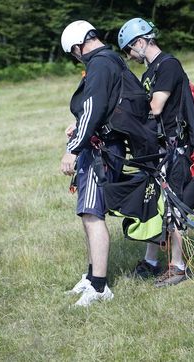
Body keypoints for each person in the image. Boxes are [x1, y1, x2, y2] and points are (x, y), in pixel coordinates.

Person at [117, 18, 194, 287]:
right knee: (154, 206)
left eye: (130, 50)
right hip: (159, 150)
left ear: (140, 42)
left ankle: (178, 267)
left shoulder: (168, 65)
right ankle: (152, 262)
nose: (130, 57)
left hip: (175, 149)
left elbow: (155, 106)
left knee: (173, 208)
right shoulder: (148, 73)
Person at [60, 20, 127, 306]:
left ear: (77, 47)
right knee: (88, 212)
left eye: (74, 54)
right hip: (103, 144)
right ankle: (90, 277)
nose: (77, 59)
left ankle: (99, 287)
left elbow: (93, 107)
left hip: (102, 150)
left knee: (92, 213)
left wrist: (73, 149)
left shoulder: (100, 64)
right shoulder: (111, 59)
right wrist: (79, 127)